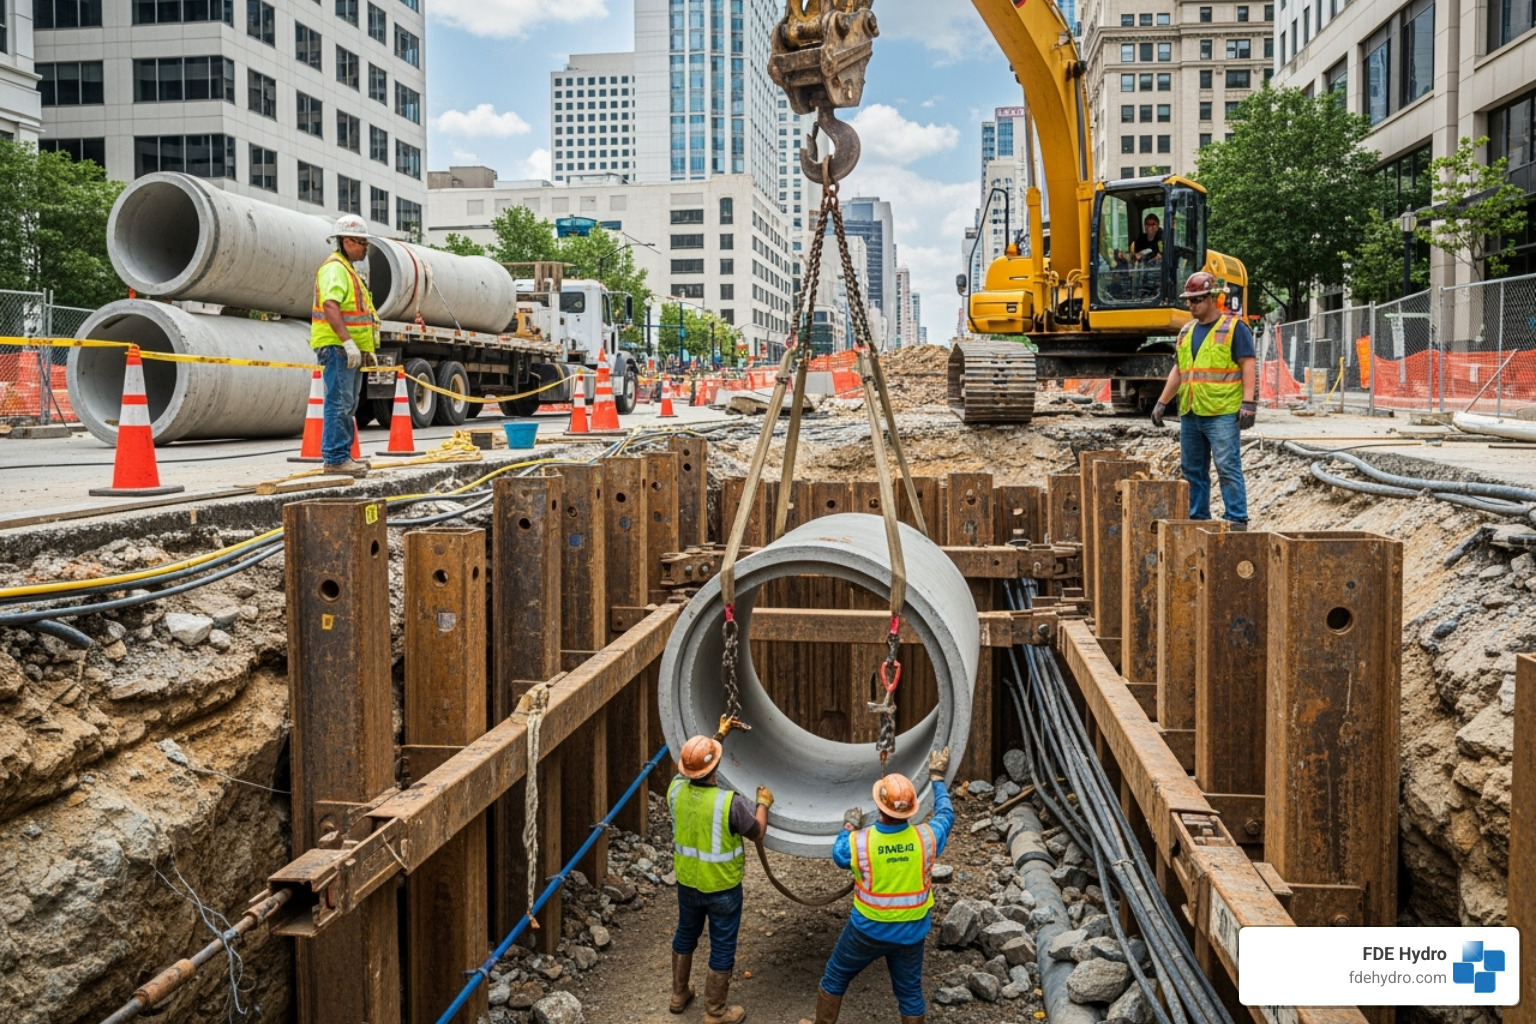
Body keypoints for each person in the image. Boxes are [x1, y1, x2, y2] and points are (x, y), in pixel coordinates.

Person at [797, 749, 955, 1024]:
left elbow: (839, 854)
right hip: (911, 932)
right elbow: (946, 813)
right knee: (910, 993)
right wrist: (937, 778)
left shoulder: (859, 842)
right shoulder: (928, 837)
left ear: (880, 807)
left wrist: (849, 825)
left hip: (867, 931)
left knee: (835, 976)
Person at [667, 719, 770, 1024]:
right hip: (723, 888)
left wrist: (718, 736)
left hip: (688, 882)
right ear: (715, 770)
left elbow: (693, 766)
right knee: (722, 945)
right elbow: (757, 831)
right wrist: (763, 804)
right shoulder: (730, 804)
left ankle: (678, 994)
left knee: (686, 933)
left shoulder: (675, 790)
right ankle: (715, 1013)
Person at [1151, 271, 1257, 529]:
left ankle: (1236, 519)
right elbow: (1180, 369)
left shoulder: (1233, 328)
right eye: (1189, 300)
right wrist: (1163, 402)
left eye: (1197, 300)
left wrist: (1249, 403)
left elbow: (1248, 364)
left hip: (1221, 411)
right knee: (1193, 470)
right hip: (1191, 411)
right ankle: (1198, 518)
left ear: (1211, 298)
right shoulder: (1186, 331)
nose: (1191, 305)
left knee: (1227, 466)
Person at [311, 214, 379, 477]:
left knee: (347, 404)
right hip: (337, 348)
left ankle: (343, 456)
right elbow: (330, 305)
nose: (365, 248)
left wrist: (364, 348)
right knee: (339, 402)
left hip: (346, 349)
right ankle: (336, 458)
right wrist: (348, 342)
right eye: (362, 243)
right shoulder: (335, 268)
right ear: (347, 241)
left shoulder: (348, 269)